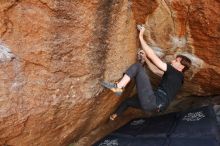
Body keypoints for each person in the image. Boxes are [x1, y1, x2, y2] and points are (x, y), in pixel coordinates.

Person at [101, 25, 192, 121]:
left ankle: (118, 87)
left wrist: (141, 36)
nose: (173, 61)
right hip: (155, 106)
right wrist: (145, 59)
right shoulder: (178, 78)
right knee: (128, 102)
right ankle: (113, 116)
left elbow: (153, 56)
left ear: (181, 67)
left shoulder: (174, 72)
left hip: (153, 101)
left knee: (137, 67)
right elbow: (155, 70)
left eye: (176, 61)